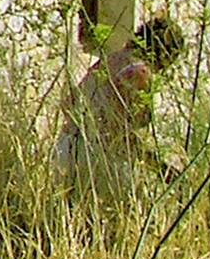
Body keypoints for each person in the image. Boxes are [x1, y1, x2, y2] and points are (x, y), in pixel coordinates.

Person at [59, 13, 186, 216]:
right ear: (165, 54)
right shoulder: (140, 74)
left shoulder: (109, 60)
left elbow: (69, 104)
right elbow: (121, 134)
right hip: (102, 163)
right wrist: (160, 167)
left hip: (67, 149)